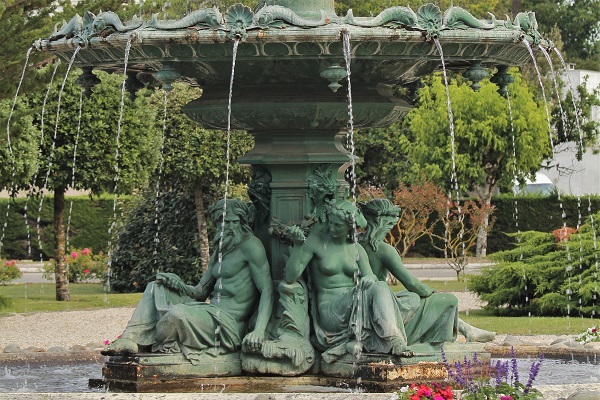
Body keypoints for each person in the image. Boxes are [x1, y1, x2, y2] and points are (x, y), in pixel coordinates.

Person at [103, 199, 274, 364]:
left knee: (177, 314)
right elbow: (200, 292)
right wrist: (179, 285)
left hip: (228, 325)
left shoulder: (252, 246)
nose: (228, 227)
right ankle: (129, 338)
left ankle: (155, 339)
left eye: (233, 222)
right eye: (223, 223)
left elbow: (267, 290)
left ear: (242, 222)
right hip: (209, 312)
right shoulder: (222, 248)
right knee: (156, 287)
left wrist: (259, 331)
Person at [285, 199, 417, 362]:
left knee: (412, 299)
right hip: (330, 312)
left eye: (338, 225)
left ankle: (359, 341)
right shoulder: (316, 243)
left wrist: (368, 279)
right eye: (331, 223)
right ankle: (394, 339)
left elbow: (371, 277)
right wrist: (298, 246)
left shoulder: (356, 248)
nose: (332, 228)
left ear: (350, 226)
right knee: (381, 290)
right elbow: (290, 277)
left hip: (355, 306)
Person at [359, 198, 495, 343]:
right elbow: (411, 284)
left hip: (362, 305)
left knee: (412, 296)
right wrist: (429, 292)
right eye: (390, 225)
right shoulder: (384, 250)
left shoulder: (353, 244)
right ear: (381, 223)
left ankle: (468, 330)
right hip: (381, 309)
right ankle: (464, 332)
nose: (390, 229)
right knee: (446, 299)